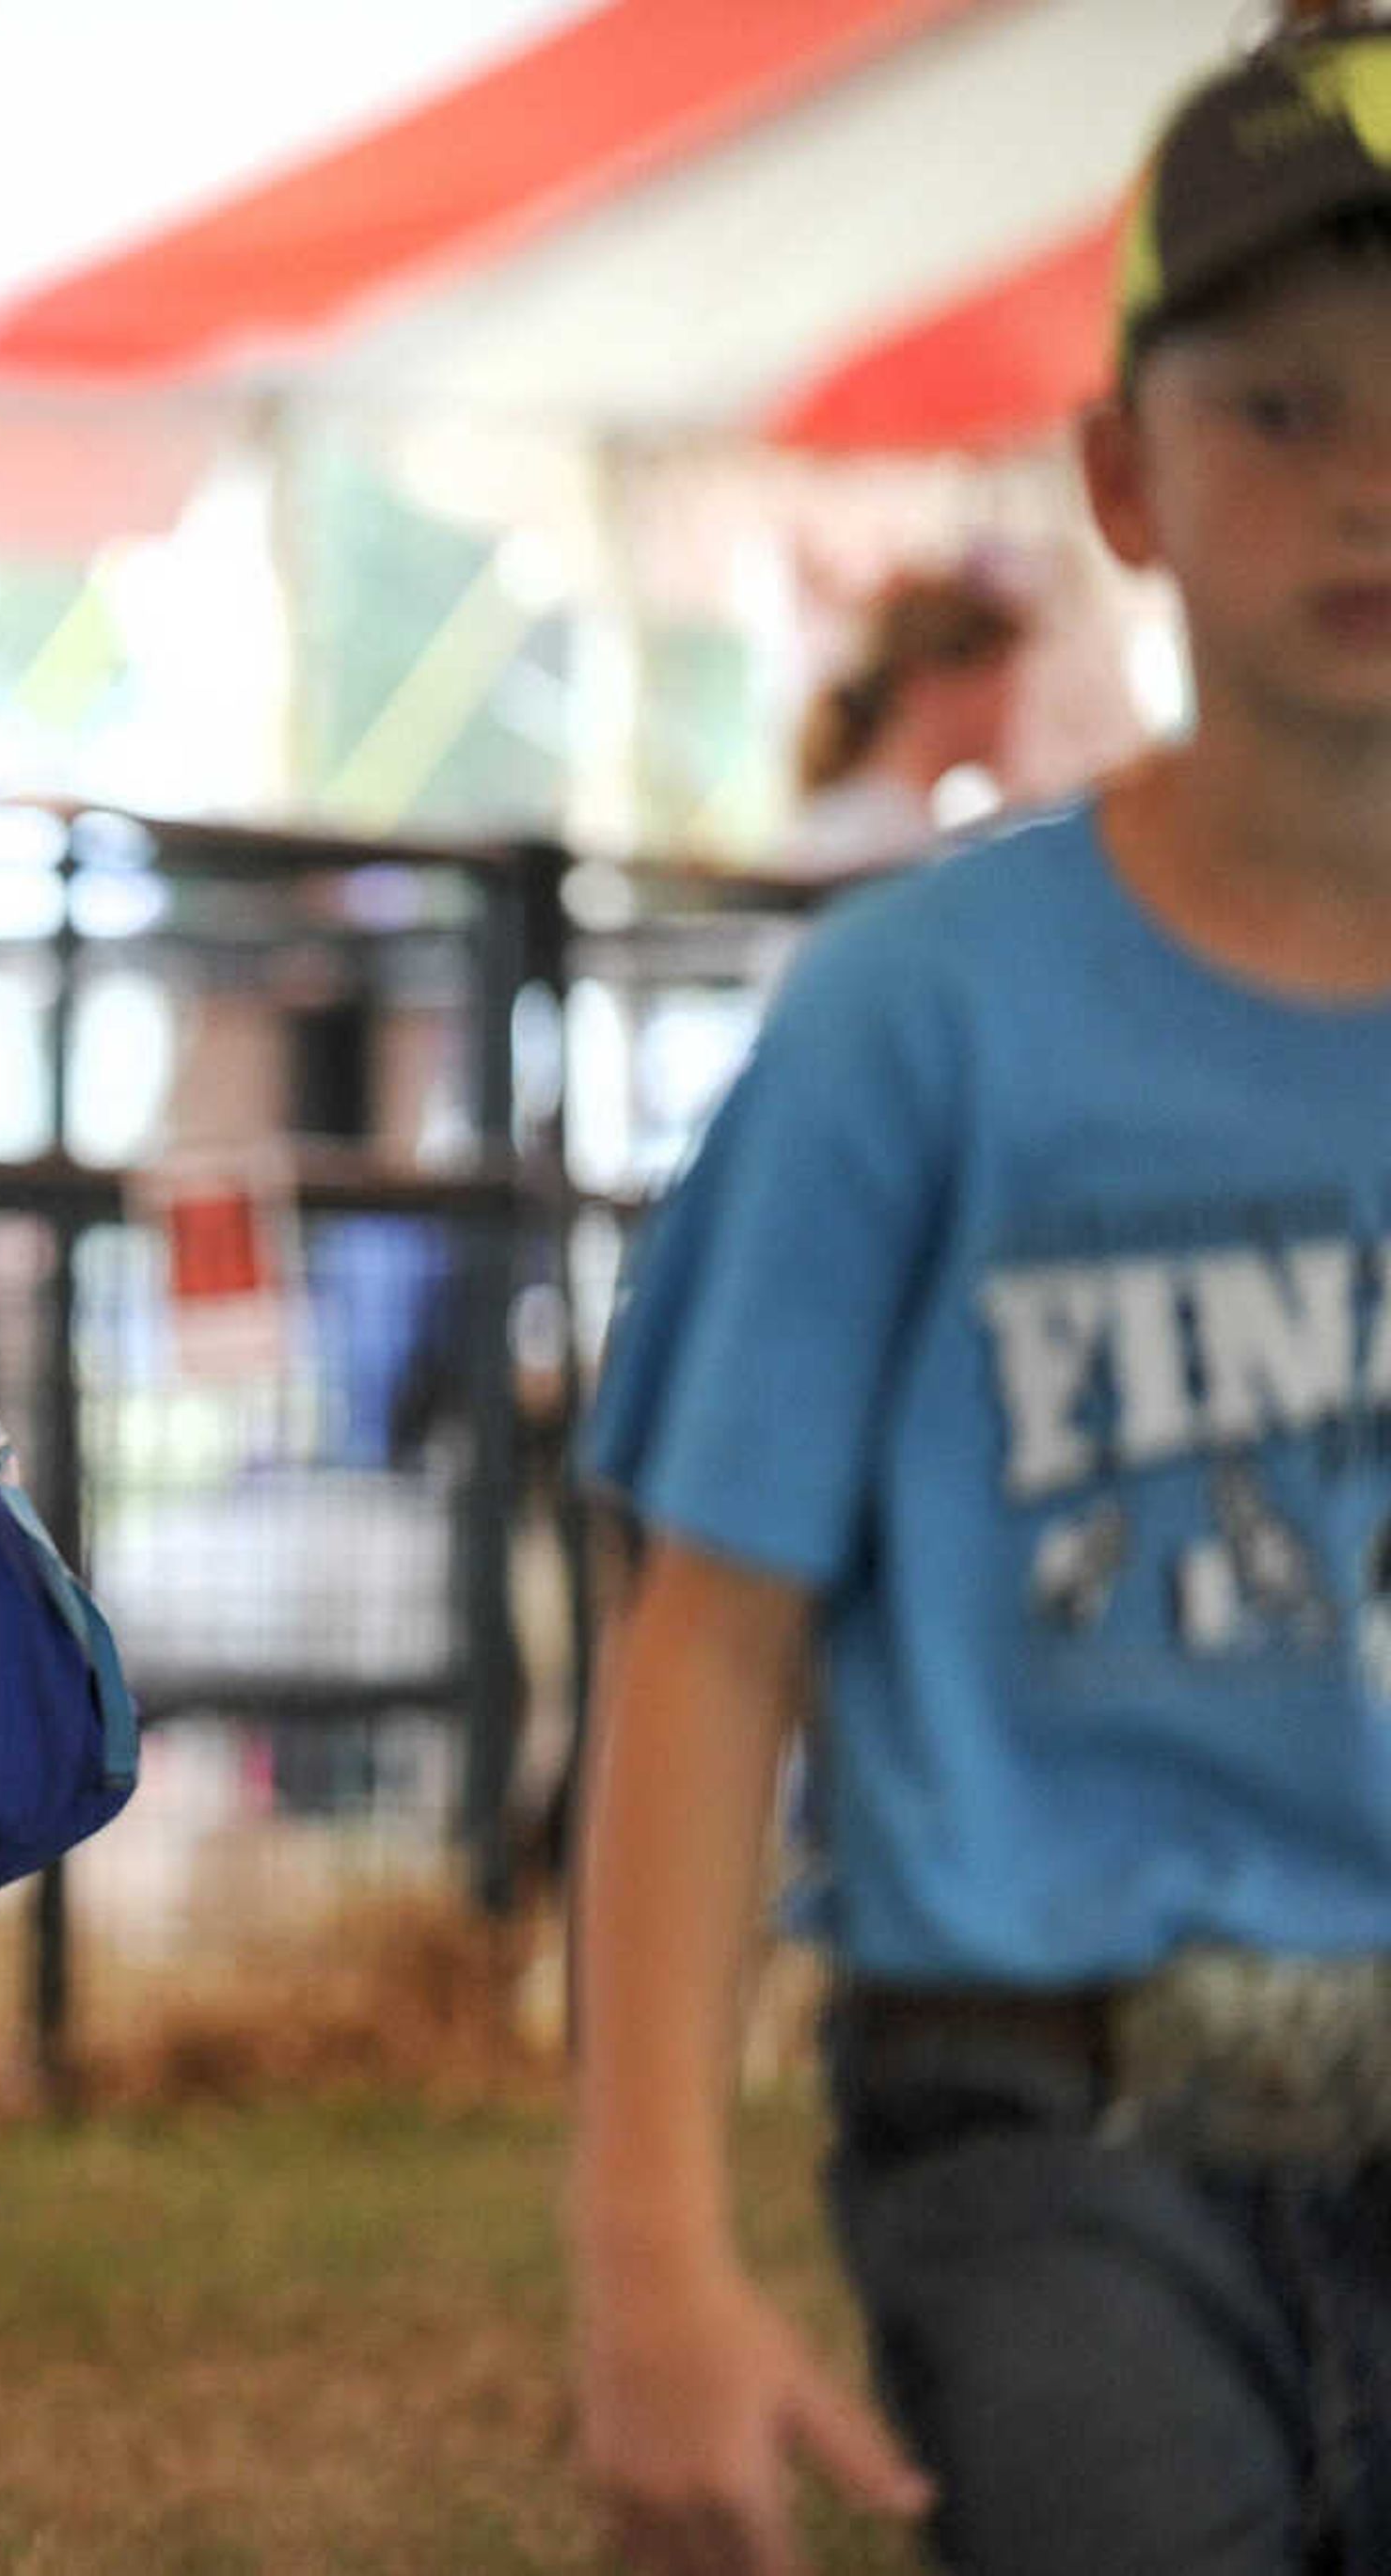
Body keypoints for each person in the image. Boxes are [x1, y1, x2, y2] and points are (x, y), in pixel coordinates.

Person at [571, 14, 1391, 2573]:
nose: (1372, 478)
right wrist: (649, 2261)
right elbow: (707, 1642)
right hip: (1045, 2120)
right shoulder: (913, 1019)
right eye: (1281, 408)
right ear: (1125, 480)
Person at [774, 565, 1028, 879]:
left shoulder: (903, 826)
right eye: (998, 690)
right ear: (927, 687)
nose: (1010, 713)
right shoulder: (872, 840)